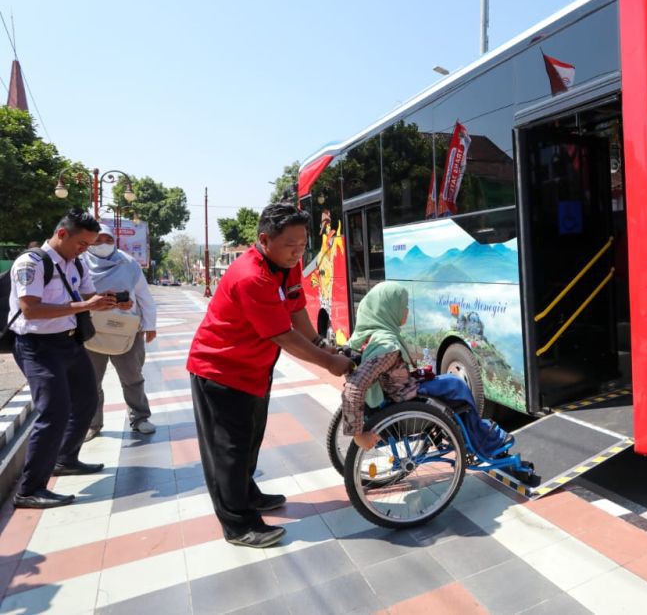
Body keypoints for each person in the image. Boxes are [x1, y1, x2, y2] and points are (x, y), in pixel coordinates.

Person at [186, 203, 354, 548]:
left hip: (254, 370)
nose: (298, 252)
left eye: (303, 244)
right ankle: (238, 524)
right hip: (221, 370)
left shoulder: (285, 266)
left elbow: (296, 312)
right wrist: (328, 362)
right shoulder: (252, 276)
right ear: (264, 240)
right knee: (228, 450)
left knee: (249, 440)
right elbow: (282, 335)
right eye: (291, 245)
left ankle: (247, 493)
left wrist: (323, 343)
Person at [7, 209, 121, 509]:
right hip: (37, 346)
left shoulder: (76, 264)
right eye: (82, 243)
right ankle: (29, 489)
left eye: (89, 245)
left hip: (69, 342)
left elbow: (86, 298)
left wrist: (107, 302)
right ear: (62, 234)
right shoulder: (31, 263)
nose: (85, 249)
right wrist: (85, 304)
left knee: (87, 400)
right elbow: (31, 309)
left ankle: (64, 458)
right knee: (53, 412)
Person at [340, 281, 509, 458]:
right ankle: (482, 438)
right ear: (388, 309)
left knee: (446, 383)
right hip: (404, 399)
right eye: (403, 306)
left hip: (392, 395)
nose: (406, 311)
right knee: (457, 385)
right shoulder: (386, 346)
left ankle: (471, 432)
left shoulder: (364, 337)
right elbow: (355, 386)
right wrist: (358, 436)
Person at [82, 224, 157, 440]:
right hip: (91, 330)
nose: (103, 244)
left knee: (132, 376)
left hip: (126, 330)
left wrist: (150, 325)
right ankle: (92, 423)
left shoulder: (128, 263)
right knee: (90, 380)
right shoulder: (79, 262)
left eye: (107, 239)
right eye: (97, 240)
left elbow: (144, 296)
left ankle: (140, 417)